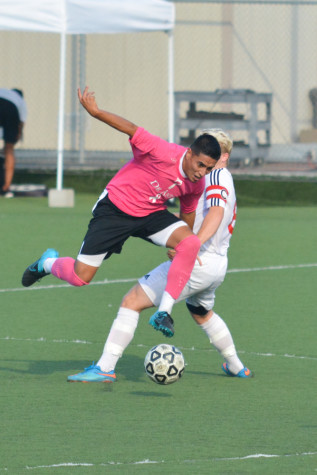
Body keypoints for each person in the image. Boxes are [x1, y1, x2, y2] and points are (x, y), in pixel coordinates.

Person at [22, 87, 221, 331]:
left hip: (150, 214)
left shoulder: (197, 183)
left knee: (190, 243)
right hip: (116, 209)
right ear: (189, 153)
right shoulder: (162, 151)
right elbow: (130, 128)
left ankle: (164, 313)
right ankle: (47, 263)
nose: (202, 172)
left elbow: (188, 211)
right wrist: (95, 112)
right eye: (200, 164)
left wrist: (180, 246)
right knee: (80, 277)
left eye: (209, 169)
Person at [67, 129, 252, 383]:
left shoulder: (218, 176)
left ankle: (105, 367)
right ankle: (236, 366)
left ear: (225, 156)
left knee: (132, 301)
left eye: (216, 153)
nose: (208, 160)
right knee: (200, 311)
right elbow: (194, 216)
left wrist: (191, 243)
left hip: (198, 263)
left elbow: (215, 215)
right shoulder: (200, 180)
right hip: (217, 266)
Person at [0, 88, 27, 198]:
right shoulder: (20, 101)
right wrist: (11, 142)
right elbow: (21, 124)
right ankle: (6, 187)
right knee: (10, 149)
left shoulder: (3, 91)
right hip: (11, 109)